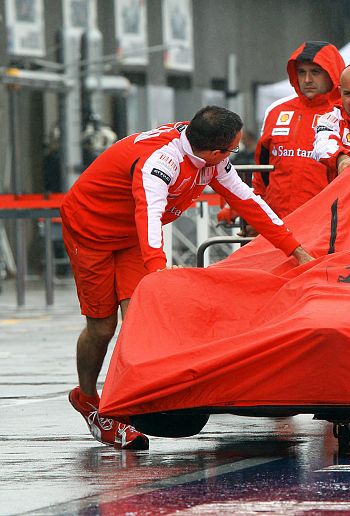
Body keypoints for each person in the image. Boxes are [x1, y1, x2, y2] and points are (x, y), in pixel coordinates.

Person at [60, 106, 315, 450]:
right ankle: (88, 399)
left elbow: (247, 200)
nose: (231, 157)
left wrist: (296, 250)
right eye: (232, 150)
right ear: (216, 151)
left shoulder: (210, 156)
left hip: (132, 235)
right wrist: (157, 270)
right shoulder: (161, 162)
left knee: (138, 319)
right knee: (102, 327)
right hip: (91, 230)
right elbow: (149, 214)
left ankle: (126, 404)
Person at [251, 41, 345, 218]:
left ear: (332, 73)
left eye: (315, 72)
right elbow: (261, 173)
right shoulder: (276, 111)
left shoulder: (344, 113)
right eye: (301, 72)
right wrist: (256, 217)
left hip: (325, 223)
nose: (307, 79)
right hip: (278, 223)